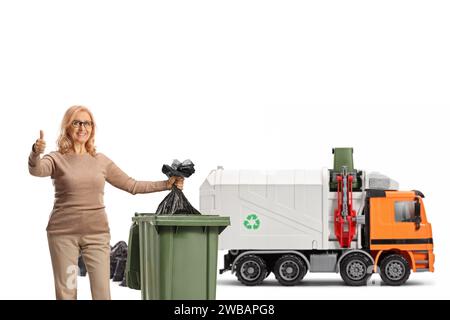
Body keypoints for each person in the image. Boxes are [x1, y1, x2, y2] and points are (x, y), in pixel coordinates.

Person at [28, 105, 183, 300]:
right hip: (63, 235)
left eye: (87, 123)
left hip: (97, 235)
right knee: (67, 291)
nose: (82, 127)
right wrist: (35, 153)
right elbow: (37, 170)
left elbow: (132, 185)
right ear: (67, 126)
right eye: (77, 122)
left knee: (102, 293)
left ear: (92, 128)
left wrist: (166, 184)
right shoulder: (56, 158)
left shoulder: (100, 161)